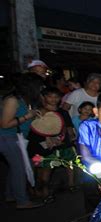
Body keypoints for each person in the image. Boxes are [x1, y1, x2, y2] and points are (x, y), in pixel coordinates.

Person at [0, 73, 44, 209]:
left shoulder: (24, 100)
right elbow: (4, 124)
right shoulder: (12, 100)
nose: (42, 88)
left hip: (16, 138)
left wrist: (33, 117)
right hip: (7, 137)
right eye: (40, 85)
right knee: (20, 168)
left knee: (15, 168)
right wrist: (27, 116)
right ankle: (22, 201)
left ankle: (11, 195)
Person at [27, 87, 77, 203]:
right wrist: (47, 137)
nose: (53, 99)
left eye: (56, 97)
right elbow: (35, 129)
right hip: (41, 146)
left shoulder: (62, 112)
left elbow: (68, 127)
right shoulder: (37, 112)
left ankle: (67, 185)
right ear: (44, 98)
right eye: (50, 96)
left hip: (62, 144)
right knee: (43, 168)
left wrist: (69, 137)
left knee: (64, 165)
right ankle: (43, 192)